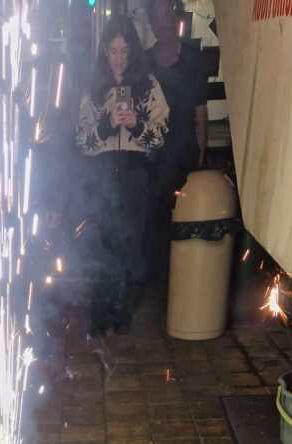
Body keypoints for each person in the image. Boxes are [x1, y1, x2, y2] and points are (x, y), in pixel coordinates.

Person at [76, 16, 168, 340]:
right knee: (101, 245)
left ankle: (122, 312)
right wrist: (106, 126)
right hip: (102, 176)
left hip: (133, 175)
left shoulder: (147, 86)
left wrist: (136, 125)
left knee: (130, 246)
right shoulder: (94, 89)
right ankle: (99, 314)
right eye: (113, 51)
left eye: (124, 51)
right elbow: (82, 141)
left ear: (133, 51)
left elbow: (160, 136)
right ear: (104, 51)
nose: (118, 59)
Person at [146, 0, 208, 199]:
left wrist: (201, 153)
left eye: (164, 17)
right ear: (150, 24)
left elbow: (200, 110)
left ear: (175, 18)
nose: (160, 25)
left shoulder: (192, 59)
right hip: (153, 158)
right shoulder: (144, 62)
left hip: (185, 155)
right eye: (154, 19)